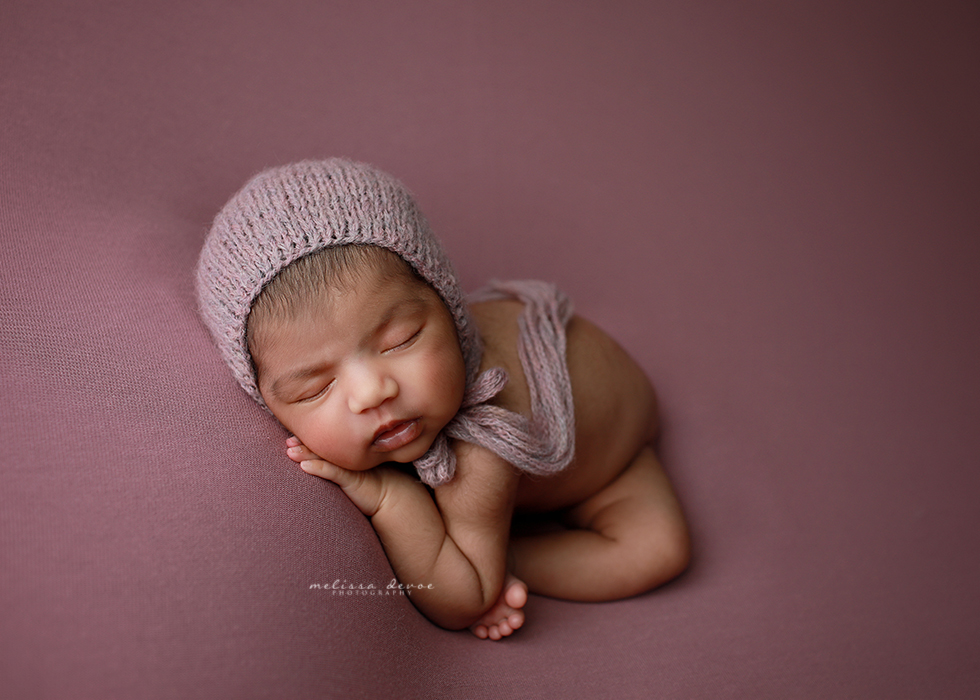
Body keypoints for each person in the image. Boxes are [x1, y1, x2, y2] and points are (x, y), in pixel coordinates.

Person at [197, 158, 690, 640]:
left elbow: (463, 598)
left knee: (658, 551)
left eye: (401, 340)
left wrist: (392, 498)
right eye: (314, 388)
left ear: (450, 304)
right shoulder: (404, 381)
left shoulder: (482, 446)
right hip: (582, 372)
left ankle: (511, 553)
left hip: (614, 456)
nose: (372, 393)